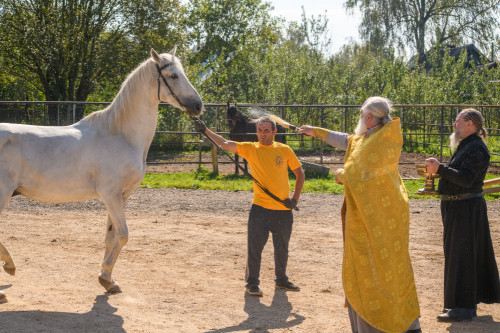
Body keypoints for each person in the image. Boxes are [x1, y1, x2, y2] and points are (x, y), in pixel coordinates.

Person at [299, 96, 421, 333]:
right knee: (392, 268)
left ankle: (381, 324)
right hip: (380, 216)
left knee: (372, 270)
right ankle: (404, 321)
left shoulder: (378, 143)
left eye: (360, 114)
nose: (358, 119)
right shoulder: (375, 135)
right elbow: (349, 140)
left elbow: (357, 173)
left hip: (373, 221)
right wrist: (316, 131)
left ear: (368, 117)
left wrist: (341, 174)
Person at [194, 116, 305, 297]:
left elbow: (300, 174)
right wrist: (205, 130)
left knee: (282, 247)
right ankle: (252, 283)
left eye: (266, 131)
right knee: (255, 248)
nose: (262, 134)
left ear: (274, 132)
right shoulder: (251, 149)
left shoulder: (285, 150)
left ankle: (281, 280)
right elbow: (225, 143)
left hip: (283, 210)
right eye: (260, 130)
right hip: (260, 208)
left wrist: (295, 199)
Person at [426, 108, 500, 322]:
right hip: (459, 208)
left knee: (463, 257)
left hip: (466, 209)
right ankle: (463, 304)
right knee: (460, 255)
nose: (454, 124)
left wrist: (440, 169)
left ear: (470, 124)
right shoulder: (467, 146)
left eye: (457, 120)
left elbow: (466, 179)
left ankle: (463, 307)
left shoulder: (476, 148)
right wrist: (441, 171)